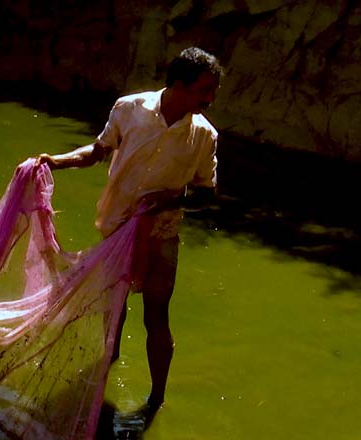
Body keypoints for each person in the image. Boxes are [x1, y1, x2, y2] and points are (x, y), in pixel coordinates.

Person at [37, 47, 223, 425]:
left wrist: (170, 200)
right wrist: (55, 161)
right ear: (178, 85)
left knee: (157, 315)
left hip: (161, 235)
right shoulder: (130, 108)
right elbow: (98, 150)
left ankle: (155, 401)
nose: (210, 99)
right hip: (117, 228)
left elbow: (206, 195)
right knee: (113, 313)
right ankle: (105, 381)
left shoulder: (204, 135)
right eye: (204, 89)